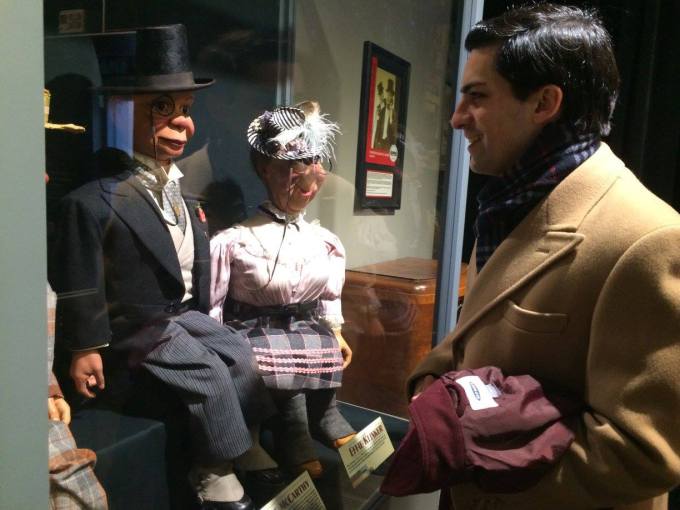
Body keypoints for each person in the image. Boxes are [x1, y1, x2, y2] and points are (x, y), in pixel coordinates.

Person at [407, 4, 680, 509]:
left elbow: (641, 455)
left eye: (477, 96)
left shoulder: (651, 239)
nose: (457, 117)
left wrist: (471, 463)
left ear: (545, 102)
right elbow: (472, 337)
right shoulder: (512, 201)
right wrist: (433, 393)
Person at [51, 25, 282, 510]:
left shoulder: (177, 190)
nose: (183, 124)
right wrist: (85, 345)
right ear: (123, 109)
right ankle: (214, 468)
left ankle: (242, 443)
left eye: (186, 110)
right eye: (163, 108)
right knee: (207, 374)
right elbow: (81, 280)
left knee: (240, 354)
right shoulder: (94, 200)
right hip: (134, 326)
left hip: (176, 314)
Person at [210, 101, 356, 479]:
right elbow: (214, 304)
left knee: (321, 343)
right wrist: (216, 346)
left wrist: (336, 330)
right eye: (295, 169)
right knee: (283, 353)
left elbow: (329, 295)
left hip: (302, 322)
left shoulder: (324, 241)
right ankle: (293, 430)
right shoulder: (235, 240)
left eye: (314, 166)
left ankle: (323, 415)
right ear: (265, 169)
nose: (310, 183)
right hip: (255, 328)